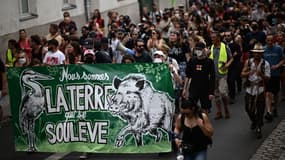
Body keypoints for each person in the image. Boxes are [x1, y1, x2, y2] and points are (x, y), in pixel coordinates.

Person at [241, 43, 270, 139]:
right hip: (250, 89)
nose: (257, 54)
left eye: (259, 53)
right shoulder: (248, 62)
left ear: (262, 54)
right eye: (255, 53)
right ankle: (254, 120)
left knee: (260, 109)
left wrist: (261, 74)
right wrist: (249, 72)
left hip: (260, 89)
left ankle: (258, 128)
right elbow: (242, 74)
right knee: (248, 108)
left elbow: (268, 79)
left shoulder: (265, 64)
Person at [182, 42, 215, 114]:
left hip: (205, 88)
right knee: (191, 108)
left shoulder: (209, 62)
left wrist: (211, 92)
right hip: (194, 88)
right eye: (196, 49)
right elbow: (188, 76)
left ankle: (205, 123)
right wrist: (185, 89)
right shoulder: (192, 61)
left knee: (205, 109)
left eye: (199, 49)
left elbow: (212, 77)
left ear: (204, 50)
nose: (198, 51)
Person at [209, 31, 233, 119]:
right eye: (211, 37)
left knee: (223, 93)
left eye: (214, 37)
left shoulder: (225, 47)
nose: (212, 39)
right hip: (213, 75)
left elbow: (231, 58)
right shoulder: (211, 48)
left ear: (218, 38)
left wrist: (226, 65)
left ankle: (226, 109)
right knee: (216, 94)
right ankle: (219, 111)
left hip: (222, 74)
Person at [263, 34, 285, 121]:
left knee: (275, 93)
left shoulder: (278, 49)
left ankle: (275, 108)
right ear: (266, 41)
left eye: (271, 40)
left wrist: (277, 65)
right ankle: (269, 112)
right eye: (268, 40)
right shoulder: (263, 49)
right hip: (267, 75)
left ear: (274, 40)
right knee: (268, 93)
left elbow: (283, 59)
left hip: (276, 74)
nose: (270, 42)